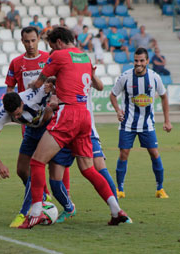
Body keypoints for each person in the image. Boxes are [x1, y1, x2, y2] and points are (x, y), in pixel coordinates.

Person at [19, 26, 129, 229]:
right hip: (84, 117)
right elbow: (75, 78)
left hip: (67, 114)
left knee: (36, 162)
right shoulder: (84, 56)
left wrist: (28, 92)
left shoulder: (59, 55)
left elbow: (39, 82)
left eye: (52, 45)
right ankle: (116, 209)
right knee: (88, 169)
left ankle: (34, 213)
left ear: (59, 42)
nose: (52, 49)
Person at [0, 81, 76, 228]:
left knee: (43, 172)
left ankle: (24, 213)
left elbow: (54, 80)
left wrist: (52, 90)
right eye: (13, 116)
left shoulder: (35, 94)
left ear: (22, 103)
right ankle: (41, 195)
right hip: (31, 132)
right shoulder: (4, 113)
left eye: (18, 113)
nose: (17, 116)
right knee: (21, 170)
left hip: (49, 129)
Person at [3, 26, 53, 227]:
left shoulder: (49, 58)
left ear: (39, 39)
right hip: (29, 121)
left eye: (33, 40)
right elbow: (9, 90)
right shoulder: (16, 63)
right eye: (26, 41)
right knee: (29, 166)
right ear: (22, 41)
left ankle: (52, 200)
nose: (30, 44)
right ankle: (42, 194)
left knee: (54, 161)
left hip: (49, 117)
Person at [109, 47, 172, 199]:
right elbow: (112, 95)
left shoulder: (154, 77)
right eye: (136, 60)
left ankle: (160, 188)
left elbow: (164, 97)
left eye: (142, 61)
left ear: (147, 61)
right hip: (128, 123)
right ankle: (120, 189)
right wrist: (118, 110)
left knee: (154, 153)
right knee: (124, 154)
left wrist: (167, 120)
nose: (138, 63)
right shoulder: (125, 77)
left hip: (147, 124)